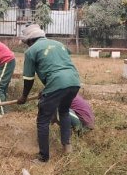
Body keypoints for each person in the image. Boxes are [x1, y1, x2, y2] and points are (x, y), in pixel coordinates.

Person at [17, 24, 81, 163]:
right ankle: (67, 147)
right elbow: (58, 65)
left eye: (26, 43)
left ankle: (43, 157)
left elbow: (28, 79)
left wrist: (24, 97)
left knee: (43, 121)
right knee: (63, 112)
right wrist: (47, 91)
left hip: (57, 83)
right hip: (74, 82)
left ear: (30, 41)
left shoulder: (31, 51)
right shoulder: (58, 44)